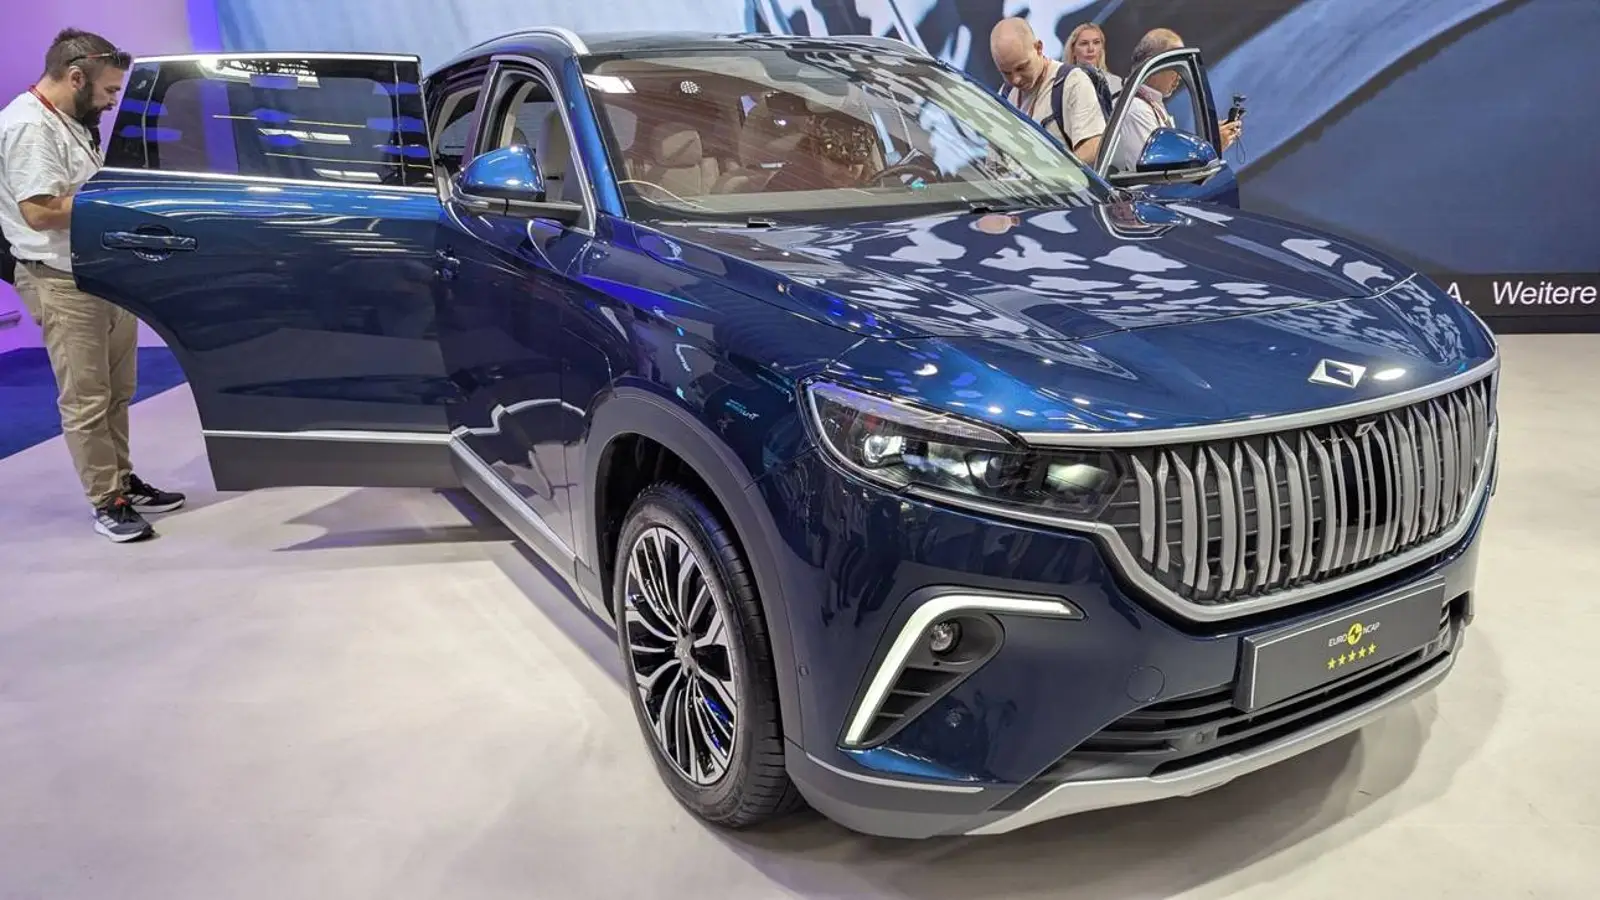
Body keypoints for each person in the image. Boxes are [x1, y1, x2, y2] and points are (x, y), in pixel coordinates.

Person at [0, 28, 186, 543]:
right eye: (107, 91)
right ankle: (107, 501)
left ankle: (121, 480)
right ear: (76, 76)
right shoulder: (29, 127)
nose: (110, 101)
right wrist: (116, 209)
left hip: (101, 276)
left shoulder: (70, 121)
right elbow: (39, 212)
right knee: (86, 399)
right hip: (61, 281)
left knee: (118, 392)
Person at [1109, 28, 1242, 174]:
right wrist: (1211, 149)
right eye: (1175, 67)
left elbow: (1167, 159)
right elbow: (1154, 172)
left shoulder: (1148, 104)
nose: (1180, 76)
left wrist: (1207, 143)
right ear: (1152, 65)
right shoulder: (1136, 109)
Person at [989, 17, 1106, 165]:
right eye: (1006, 73)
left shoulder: (1072, 82)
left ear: (1038, 48)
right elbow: (993, 162)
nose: (1016, 79)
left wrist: (1051, 174)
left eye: (1021, 67)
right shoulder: (1005, 95)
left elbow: (1092, 146)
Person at [1063, 22, 1123, 94]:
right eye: (1084, 43)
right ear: (1073, 50)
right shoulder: (1062, 85)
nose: (1091, 49)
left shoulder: (1115, 82)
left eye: (1096, 42)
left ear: (1101, 48)